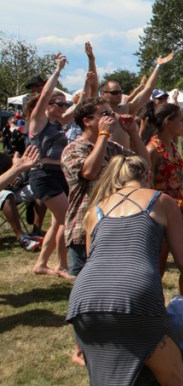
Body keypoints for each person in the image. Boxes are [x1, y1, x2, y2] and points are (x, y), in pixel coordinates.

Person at [66, 154, 183, 386]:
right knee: (175, 380)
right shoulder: (162, 201)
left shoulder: (96, 209)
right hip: (135, 294)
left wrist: (82, 338)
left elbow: (92, 262)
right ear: (147, 176)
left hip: (85, 297)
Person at [62, 98, 147, 276]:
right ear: (87, 121)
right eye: (105, 114)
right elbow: (89, 172)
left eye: (111, 113)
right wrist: (103, 135)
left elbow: (144, 164)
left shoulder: (113, 148)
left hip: (115, 224)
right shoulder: (73, 149)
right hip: (84, 227)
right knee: (86, 284)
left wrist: (133, 134)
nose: (111, 118)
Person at [24, 53, 74, 278]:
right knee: (66, 219)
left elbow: (81, 107)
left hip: (57, 174)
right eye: (60, 103)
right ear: (49, 104)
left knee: (56, 223)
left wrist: (90, 80)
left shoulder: (56, 122)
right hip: (43, 174)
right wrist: (57, 71)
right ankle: (63, 266)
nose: (64, 107)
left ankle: (42, 264)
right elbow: (44, 94)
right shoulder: (38, 121)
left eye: (65, 104)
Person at [145, 102, 183, 296]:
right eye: (179, 119)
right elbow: (146, 190)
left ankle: (182, 304)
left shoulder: (174, 147)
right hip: (159, 215)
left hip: (180, 213)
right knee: (156, 269)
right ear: (168, 122)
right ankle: (152, 310)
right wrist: (177, 204)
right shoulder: (152, 150)